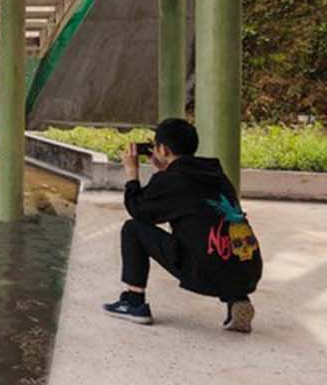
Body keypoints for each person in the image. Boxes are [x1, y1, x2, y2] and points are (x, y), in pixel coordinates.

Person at [103, 118, 262, 332]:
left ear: (162, 149)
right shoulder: (216, 174)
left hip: (204, 273)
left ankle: (133, 302)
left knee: (133, 229)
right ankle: (237, 300)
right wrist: (164, 172)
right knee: (216, 236)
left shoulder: (174, 179)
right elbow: (189, 201)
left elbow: (140, 210)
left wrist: (132, 174)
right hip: (247, 268)